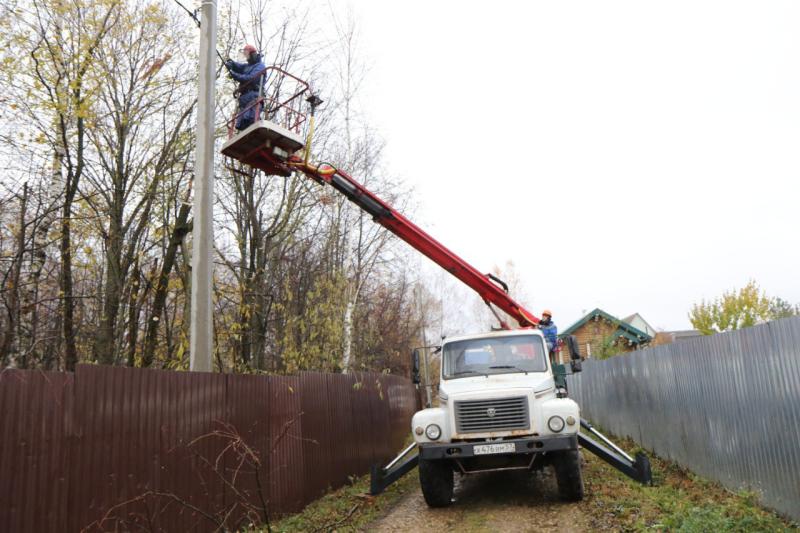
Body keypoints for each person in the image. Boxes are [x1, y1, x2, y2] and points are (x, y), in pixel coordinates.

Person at [225, 44, 267, 131]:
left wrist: (234, 75)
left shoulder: (260, 66)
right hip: (244, 99)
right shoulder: (247, 66)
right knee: (242, 123)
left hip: (253, 97)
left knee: (250, 119)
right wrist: (231, 63)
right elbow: (238, 66)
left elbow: (250, 78)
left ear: (252, 55)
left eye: (247, 55)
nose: (246, 58)